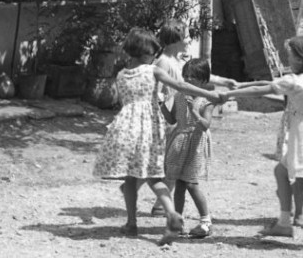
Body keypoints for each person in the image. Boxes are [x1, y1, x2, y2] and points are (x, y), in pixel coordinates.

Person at [92, 28, 222, 245]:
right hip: (148, 129)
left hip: (125, 128)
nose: (155, 55)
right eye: (154, 51)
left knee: (130, 180)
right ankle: (172, 214)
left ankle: (131, 224)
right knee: (154, 177)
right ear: (146, 52)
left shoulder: (121, 74)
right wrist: (209, 93)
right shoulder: (153, 71)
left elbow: (124, 101)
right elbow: (180, 85)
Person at [224, 36, 303, 252]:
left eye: (290, 55)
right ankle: (284, 223)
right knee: (282, 172)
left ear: (301, 59)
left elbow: (261, 91)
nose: (287, 59)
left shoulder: (294, 81)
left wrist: (227, 94)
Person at [229, 82, 303, 229]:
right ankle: (291, 211)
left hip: (300, 132)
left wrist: (235, 89)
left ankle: (296, 213)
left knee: (296, 175)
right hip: (291, 129)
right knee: (288, 173)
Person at [150, 19, 236, 216]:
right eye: (187, 36)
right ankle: (157, 203)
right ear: (175, 40)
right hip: (172, 116)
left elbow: (203, 75)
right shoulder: (164, 61)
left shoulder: (178, 60)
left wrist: (226, 81)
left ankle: (159, 204)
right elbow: (159, 89)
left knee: (174, 164)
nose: (189, 40)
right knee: (171, 164)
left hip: (183, 115)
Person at [161, 59, 217, 237]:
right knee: (179, 183)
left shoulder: (206, 100)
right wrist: (162, 106)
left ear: (203, 80)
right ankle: (177, 221)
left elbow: (205, 125)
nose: (187, 79)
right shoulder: (179, 95)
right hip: (179, 141)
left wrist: (194, 110)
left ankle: (206, 222)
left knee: (192, 184)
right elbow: (172, 120)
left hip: (196, 144)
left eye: (192, 77)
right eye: (185, 76)